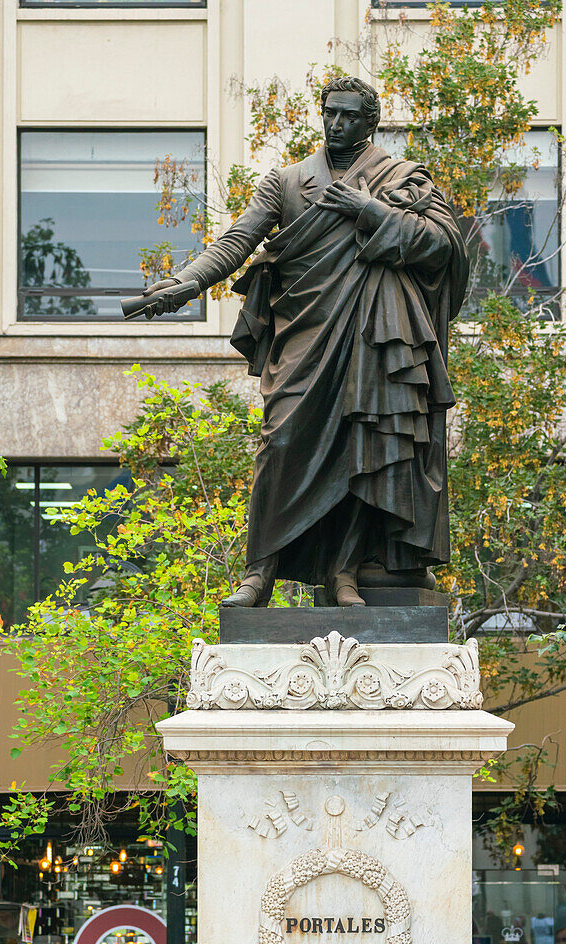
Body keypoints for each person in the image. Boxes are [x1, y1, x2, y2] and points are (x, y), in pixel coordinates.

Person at [140, 77, 468, 607]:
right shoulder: (289, 182)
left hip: (372, 339)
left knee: (367, 448)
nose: (336, 125)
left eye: (348, 117)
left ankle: (344, 572)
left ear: (371, 122)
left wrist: (373, 213)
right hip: (306, 337)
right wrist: (188, 283)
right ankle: (259, 570)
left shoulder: (400, 179)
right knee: (281, 442)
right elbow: (238, 239)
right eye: (329, 114)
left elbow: (442, 244)